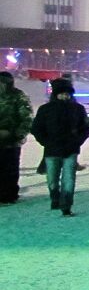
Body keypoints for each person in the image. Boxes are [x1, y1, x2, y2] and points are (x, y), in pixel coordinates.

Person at [30, 78, 89, 216]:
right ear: (55, 94)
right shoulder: (45, 110)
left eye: (67, 93)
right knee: (52, 179)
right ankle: (55, 197)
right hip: (52, 150)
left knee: (69, 179)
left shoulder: (78, 109)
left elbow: (85, 128)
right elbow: (36, 128)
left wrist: (77, 141)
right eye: (62, 93)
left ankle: (66, 205)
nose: (65, 96)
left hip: (71, 150)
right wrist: (45, 141)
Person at [0, 72, 32, 205]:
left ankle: (9, 195)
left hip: (10, 141)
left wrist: (15, 135)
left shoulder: (18, 96)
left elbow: (27, 118)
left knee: (10, 169)